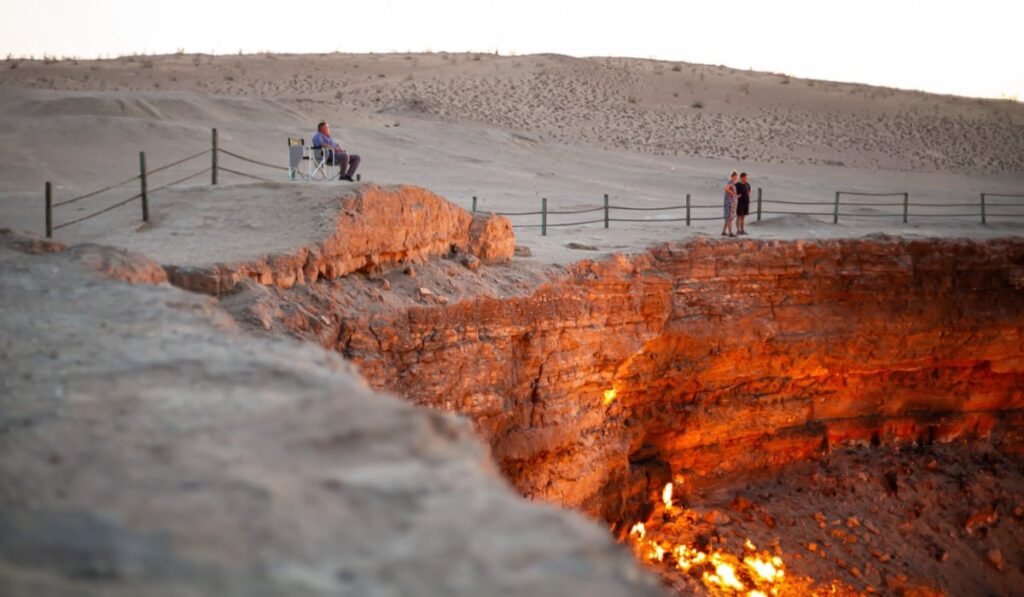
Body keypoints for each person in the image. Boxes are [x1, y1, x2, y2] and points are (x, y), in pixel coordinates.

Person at [721, 171, 738, 237]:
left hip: (732, 203)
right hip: (729, 203)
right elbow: (726, 188)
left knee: (728, 218)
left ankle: (723, 231)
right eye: (734, 177)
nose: (735, 178)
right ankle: (730, 233)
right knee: (729, 218)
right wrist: (733, 194)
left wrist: (735, 196)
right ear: (731, 177)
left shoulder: (732, 184)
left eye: (736, 177)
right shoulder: (730, 183)